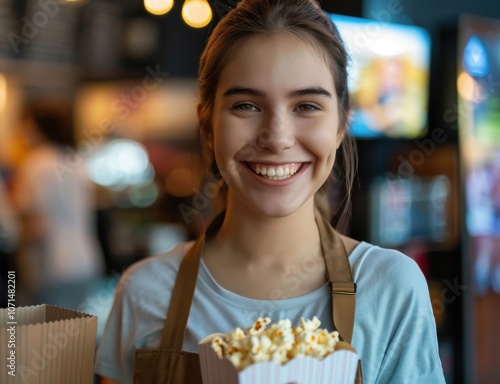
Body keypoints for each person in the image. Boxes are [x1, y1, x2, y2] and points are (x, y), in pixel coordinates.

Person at [95, 0, 446, 383]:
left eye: (307, 105)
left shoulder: (390, 287)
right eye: (246, 105)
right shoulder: (143, 291)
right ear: (209, 125)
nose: (277, 138)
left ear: (342, 123)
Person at [12, 99, 105, 309]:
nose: (20, 132)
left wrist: (14, 250)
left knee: (39, 339)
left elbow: (36, 225)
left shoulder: (35, 163)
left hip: (51, 267)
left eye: (24, 124)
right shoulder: (75, 161)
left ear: (36, 126)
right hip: (86, 261)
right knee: (72, 338)